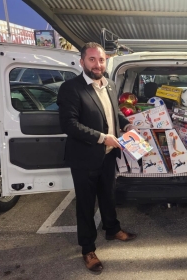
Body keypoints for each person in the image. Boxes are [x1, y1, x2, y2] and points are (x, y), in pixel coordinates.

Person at [57, 42, 137, 272]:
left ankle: (112, 229)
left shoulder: (109, 85)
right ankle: (88, 249)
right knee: (85, 204)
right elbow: (69, 125)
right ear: (81, 62)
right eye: (91, 59)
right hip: (84, 158)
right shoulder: (71, 88)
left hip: (109, 155)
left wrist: (127, 124)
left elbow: (115, 111)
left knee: (108, 195)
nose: (97, 64)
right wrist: (103, 138)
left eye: (101, 59)